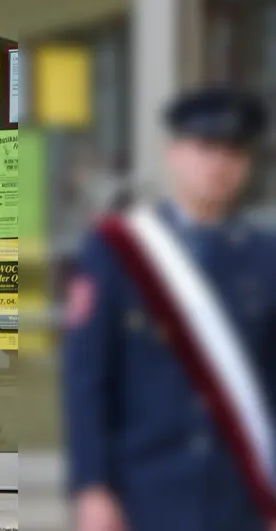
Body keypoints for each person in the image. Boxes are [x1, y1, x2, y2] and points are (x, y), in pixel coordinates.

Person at [63, 87, 276, 531]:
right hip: (145, 491)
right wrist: (93, 487)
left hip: (241, 496)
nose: (218, 164)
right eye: (205, 147)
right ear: (174, 152)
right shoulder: (118, 251)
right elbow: (88, 379)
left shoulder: (265, 255)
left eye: (233, 151)